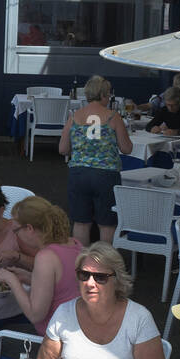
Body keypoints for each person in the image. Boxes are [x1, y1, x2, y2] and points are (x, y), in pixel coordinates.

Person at [34, 242, 167, 359]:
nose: (90, 283)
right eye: (84, 275)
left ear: (117, 281)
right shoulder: (64, 313)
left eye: (100, 277)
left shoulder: (138, 318)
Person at [59, 75, 133, 246]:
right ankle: (104, 267)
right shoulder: (112, 117)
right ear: (102, 95)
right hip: (106, 175)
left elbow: (62, 149)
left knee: (81, 223)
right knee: (107, 224)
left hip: (78, 173)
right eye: (108, 95)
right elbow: (126, 148)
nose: (108, 99)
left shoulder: (74, 117)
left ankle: (81, 265)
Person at [0, 196, 83, 334]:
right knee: (4, 327)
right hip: (75, 332)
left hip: (52, 341)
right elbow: (63, 288)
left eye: (16, 231)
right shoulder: (75, 244)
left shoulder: (45, 257)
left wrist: (11, 281)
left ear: (29, 228)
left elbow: (35, 315)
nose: (16, 236)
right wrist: (29, 277)